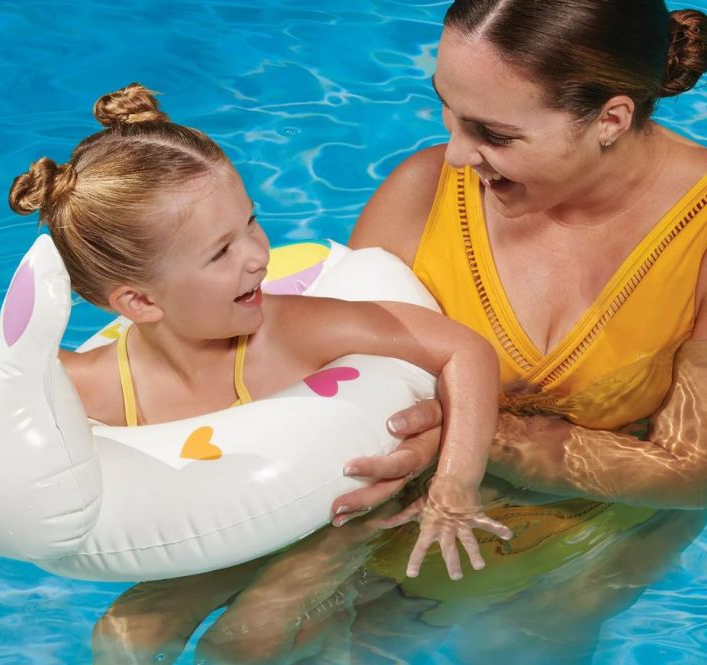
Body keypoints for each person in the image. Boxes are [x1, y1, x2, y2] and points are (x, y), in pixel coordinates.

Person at [86, 2, 707, 664]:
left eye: (493, 133)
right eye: (447, 109)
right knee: (143, 631)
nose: (458, 155)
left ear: (610, 119)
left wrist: (476, 434)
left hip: (603, 501)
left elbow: (693, 469)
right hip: (407, 478)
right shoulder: (421, 194)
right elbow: (333, 379)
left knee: (505, 641)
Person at [7, 83, 513, 660]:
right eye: (221, 251)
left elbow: (463, 351)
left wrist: (455, 485)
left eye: (251, 221)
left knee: (243, 642)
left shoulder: (290, 332)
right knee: (122, 638)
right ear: (140, 303)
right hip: (213, 543)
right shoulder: (92, 383)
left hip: (335, 529)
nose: (258, 253)